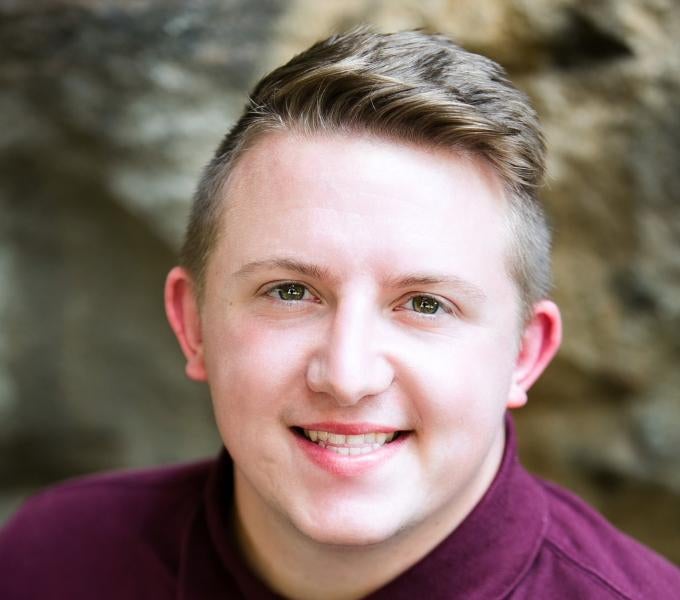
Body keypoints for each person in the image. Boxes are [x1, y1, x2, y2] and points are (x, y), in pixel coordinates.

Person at [1, 28, 678, 600]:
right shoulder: (51, 562)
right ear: (192, 323)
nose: (347, 376)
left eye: (424, 303)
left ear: (524, 354)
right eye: (291, 291)